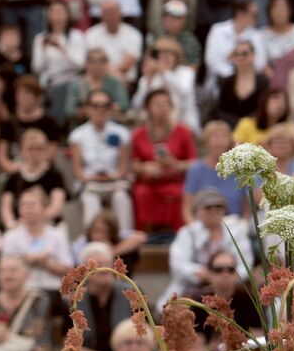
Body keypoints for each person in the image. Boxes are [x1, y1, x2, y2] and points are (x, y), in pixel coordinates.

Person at [163, 189, 253, 313]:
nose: (213, 211)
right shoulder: (188, 232)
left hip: (231, 290)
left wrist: (226, 276)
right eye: (208, 207)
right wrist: (202, 274)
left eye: (218, 206)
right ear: (197, 211)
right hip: (193, 290)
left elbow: (246, 264)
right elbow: (177, 264)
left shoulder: (236, 231)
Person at [130, 88, 197, 233]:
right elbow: (133, 164)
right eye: (157, 104)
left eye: (165, 104)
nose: (162, 108)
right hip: (149, 183)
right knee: (141, 193)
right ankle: (145, 236)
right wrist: (144, 168)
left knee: (179, 194)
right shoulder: (139, 134)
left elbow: (194, 163)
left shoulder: (183, 131)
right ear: (148, 108)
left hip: (175, 181)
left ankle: (179, 234)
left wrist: (175, 164)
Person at [68, 90, 134, 228]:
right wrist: (92, 178)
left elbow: (123, 168)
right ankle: (93, 240)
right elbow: (78, 171)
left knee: (121, 197)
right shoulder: (77, 135)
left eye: (105, 105)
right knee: (90, 199)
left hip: (115, 181)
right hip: (89, 183)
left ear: (110, 108)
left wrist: (111, 176)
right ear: (87, 109)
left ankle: (125, 236)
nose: (100, 110)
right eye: (95, 105)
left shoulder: (122, 133)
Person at [0, 187, 74, 292]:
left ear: (44, 208)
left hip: (53, 289)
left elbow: (68, 269)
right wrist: (26, 259)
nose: (27, 208)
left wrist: (46, 264)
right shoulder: (10, 237)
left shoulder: (57, 235)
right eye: (23, 205)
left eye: (32, 205)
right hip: (22, 291)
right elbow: (4, 267)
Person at [0, 127, 67, 226]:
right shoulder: (14, 178)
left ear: (46, 150)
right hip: (20, 226)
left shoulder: (54, 176)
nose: (35, 153)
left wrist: (34, 220)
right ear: (22, 151)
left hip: (48, 225)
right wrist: (11, 224)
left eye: (39, 149)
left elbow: (56, 206)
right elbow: (6, 207)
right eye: (30, 149)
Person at [212, 36, 269, 126]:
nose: (240, 58)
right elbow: (220, 110)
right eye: (236, 54)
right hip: (230, 129)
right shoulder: (227, 82)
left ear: (253, 55)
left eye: (244, 54)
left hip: (255, 129)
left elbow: (264, 110)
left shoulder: (263, 82)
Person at [31, 0, 86, 91]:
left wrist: (62, 49)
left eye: (61, 11)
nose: (57, 15)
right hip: (50, 84)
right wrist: (43, 49)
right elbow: (37, 68)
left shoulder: (77, 35)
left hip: (72, 82)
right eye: (53, 11)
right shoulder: (40, 38)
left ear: (68, 14)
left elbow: (81, 65)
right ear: (48, 15)